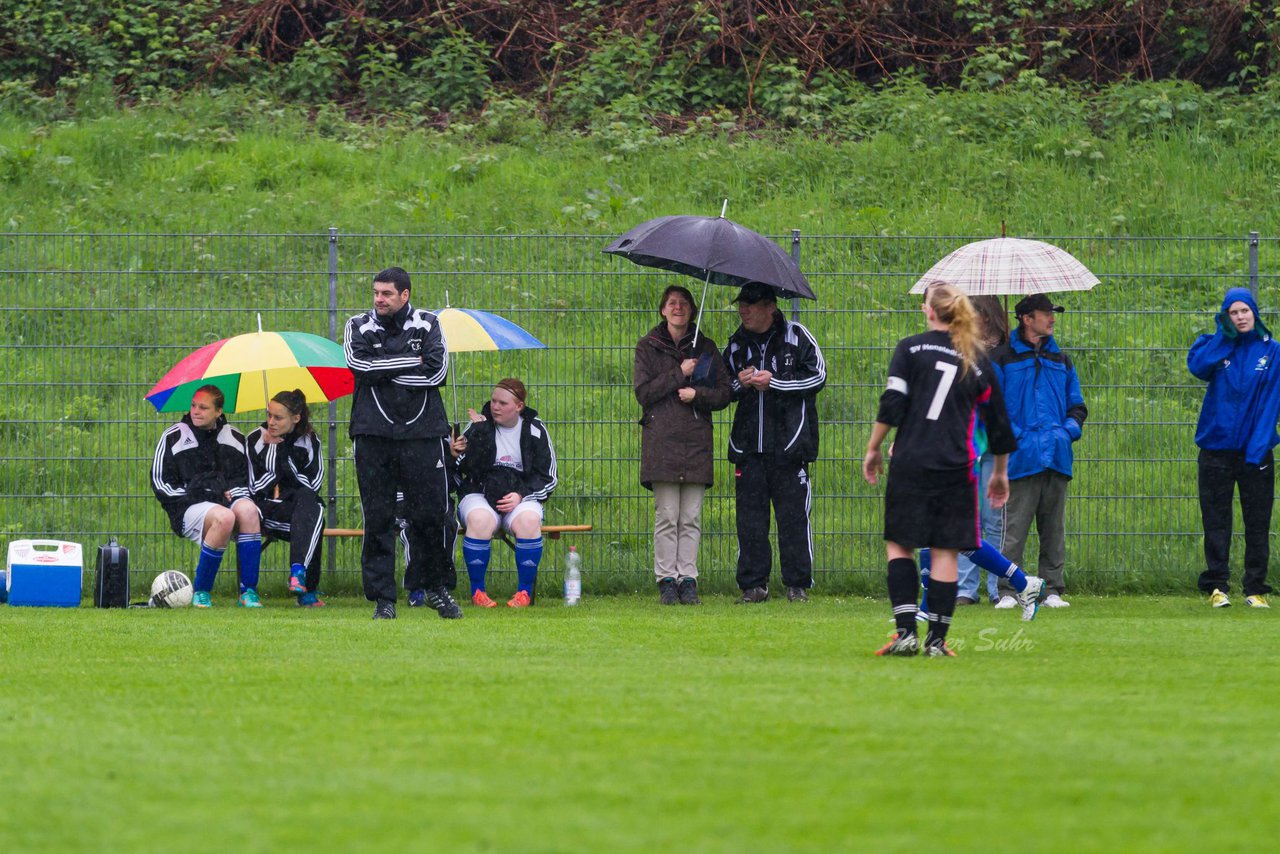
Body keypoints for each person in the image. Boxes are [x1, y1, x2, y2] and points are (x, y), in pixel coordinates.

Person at [863, 282, 1017, 657]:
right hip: (958, 467)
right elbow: (999, 423)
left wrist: (874, 447)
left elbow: (893, 402)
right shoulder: (977, 359)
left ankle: (905, 634)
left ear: (929, 310)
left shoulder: (909, 348)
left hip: (911, 461)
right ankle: (936, 641)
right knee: (945, 550)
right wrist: (1000, 472)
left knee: (900, 545)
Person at [344, 266, 460, 620]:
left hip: (422, 434)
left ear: (405, 295)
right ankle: (383, 599)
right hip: (373, 434)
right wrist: (413, 361)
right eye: (376, 293)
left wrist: (383, 368)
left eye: (387, 294)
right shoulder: (357, 325)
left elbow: (438, 372)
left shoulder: (428, 323)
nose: (379, 299)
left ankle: (434, 588)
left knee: (430, 515)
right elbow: (358, 367)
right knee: (378, 517)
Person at [722, 281, 826, 603]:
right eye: (741, 304)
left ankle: (797, 585)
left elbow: (818, 376)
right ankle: (753, 585)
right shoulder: (736, 345)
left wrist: (776, 382)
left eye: (750, 304)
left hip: (790, 447)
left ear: (771, 306)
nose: (743, 310)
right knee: (750, 520)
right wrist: (740, 384)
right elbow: (722, 389)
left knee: (793, 518)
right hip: (749, 448)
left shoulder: (798, 336)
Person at [634, 285, 732, 605]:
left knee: (690, 516)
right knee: (667, 515)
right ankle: (666, 580)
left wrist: (697, 394)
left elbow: (723, 393)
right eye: (672, 304)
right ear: (662, 310)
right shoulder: (647, 347)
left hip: (695, 443)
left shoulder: (706, 348)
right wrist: (680, 373)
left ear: (691, 310)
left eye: (684, 304)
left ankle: (688, 578)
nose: (678, 308)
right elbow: (644, 393)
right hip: (661, 442)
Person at [990, 293, 1087, 610]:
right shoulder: (1001, 359)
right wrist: (1015, 438)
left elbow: (1077, 406)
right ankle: (1007, 590)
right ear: (1027, 319)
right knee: (1013, 529)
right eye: (1047, 313)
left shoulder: (1062, 360)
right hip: (1020, 457)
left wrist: (1065, 433)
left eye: (1053, 312)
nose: (1053, 318)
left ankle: (1052, 590)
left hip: (1056, 455)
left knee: (1053, 530)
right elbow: (994, 408)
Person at [1187, 286, 1280, 608]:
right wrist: (1224, 337)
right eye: (1233, 312)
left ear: (1254, 313)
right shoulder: (1215, 346)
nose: (1240, 317)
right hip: (1215, 452)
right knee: (1216, 521)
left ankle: (1255, 589)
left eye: (1244, 311)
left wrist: (1258, 448)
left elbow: (1271, 404)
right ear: (1225, 316)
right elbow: (1197, 367)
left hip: (1256, 453)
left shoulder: (1272, 352)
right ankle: (1217, 587)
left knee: (1257, 522)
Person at [150, 384, 263, 608]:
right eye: (193, 405)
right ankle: (201, 591)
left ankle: (248, 592)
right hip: (186, 507)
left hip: (225, 502)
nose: (196, 411)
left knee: (249, 511)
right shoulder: (174, 436)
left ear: (218, 411)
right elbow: (160, 483)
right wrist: (197, 492)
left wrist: (232, 493)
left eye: (203, 407)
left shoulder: (234, 436)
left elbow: (245, 482)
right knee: (225, 517)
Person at [454, 378, 557, 608]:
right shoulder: (479, 425)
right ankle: (477, 592)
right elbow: (461, 468)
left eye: (502, 403)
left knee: (530, 520)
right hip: (479, 494)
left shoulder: (535, 430)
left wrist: (520, 495)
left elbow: (548, 477)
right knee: (479, 520)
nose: (495, 407)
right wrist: (471, 442)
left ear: (519, 406)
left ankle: (524, 593)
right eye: (493, 401)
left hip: (520, 497)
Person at [246, 389, 326, 607]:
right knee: (316, 517)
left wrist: (285, 457)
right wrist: (274, 451)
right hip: (266, 509)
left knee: (311, 506)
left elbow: (314, 484)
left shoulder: (310, 440)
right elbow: (255, 488)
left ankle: (298, 574)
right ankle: (304, 585)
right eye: (269, 415)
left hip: (298, 509)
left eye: (278, 417)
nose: (271, 422)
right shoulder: (255, 439)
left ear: (296, 418)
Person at [957, 295, 1010, 605]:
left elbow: (1003, 403)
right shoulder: (961, 352)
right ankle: (965, 589)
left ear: (986, 318)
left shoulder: (1005, 354)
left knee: (994, 518)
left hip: (993, 446)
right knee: (967, 518)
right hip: (967, 444)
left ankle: (997, 587)